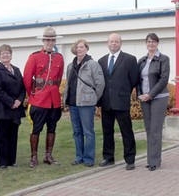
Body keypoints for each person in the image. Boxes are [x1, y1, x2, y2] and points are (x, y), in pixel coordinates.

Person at [23, 26, 64, 168]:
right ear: (43, 41)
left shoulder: (59, 57)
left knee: (52, 128)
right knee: (36, 129)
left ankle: (48, 155)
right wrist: (32, 95)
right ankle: (34, 157)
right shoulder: (34, 57)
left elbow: (58, 78)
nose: (50, 42)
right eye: (47, 40)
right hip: (39, 99)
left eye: (52, 40)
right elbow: (27, 79)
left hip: (54, 100)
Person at [98, 33, 139, 170]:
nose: (113, 44)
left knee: (126, 131)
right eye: (111, 41)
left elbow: (133, 80)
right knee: (107, 131)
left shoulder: (130, 59)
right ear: (107, 43)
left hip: (121, 101)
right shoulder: (102, 61)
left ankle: (130, 159)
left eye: (116, 41)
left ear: (120, 43)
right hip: (106, 102)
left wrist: (124, 91)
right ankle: (108, 157)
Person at [64, 39, 105, 167]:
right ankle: (79, 156)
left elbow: (100, 84)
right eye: (77, 47)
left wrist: (93, 98)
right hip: (73, 103)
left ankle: (88, 158)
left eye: (82, 47)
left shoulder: (92, 64)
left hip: (86, 103)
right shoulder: (71, 65)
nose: (79, 49)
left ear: (86, 48)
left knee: (88, 132)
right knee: (76, 132)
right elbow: (68, 85)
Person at [137, 33, 170, 171]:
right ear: (146, 43)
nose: (151, 44)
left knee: (155, 129)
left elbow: (163, 80)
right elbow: (137, 80)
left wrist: (150, 95)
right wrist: (140, 95)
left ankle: (154, 161)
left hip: (159, 98)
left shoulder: (163, 59)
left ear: (157, 43)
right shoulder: (142, 60)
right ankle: (151, 159)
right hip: (144, 98)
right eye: (149, 41)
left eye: (154, 42)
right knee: (149, 129)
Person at [0, 44, 26, 168]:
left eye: (7, 53)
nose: (5, 55)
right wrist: (11, 102)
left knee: (13, 135)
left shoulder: (16, 69)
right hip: (3, 108)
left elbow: (23, 87)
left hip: (16, 108)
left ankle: (12, 160)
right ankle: (2, 162)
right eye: (3, 53)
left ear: (11, 55)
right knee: (2, 136)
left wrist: (19, 100)